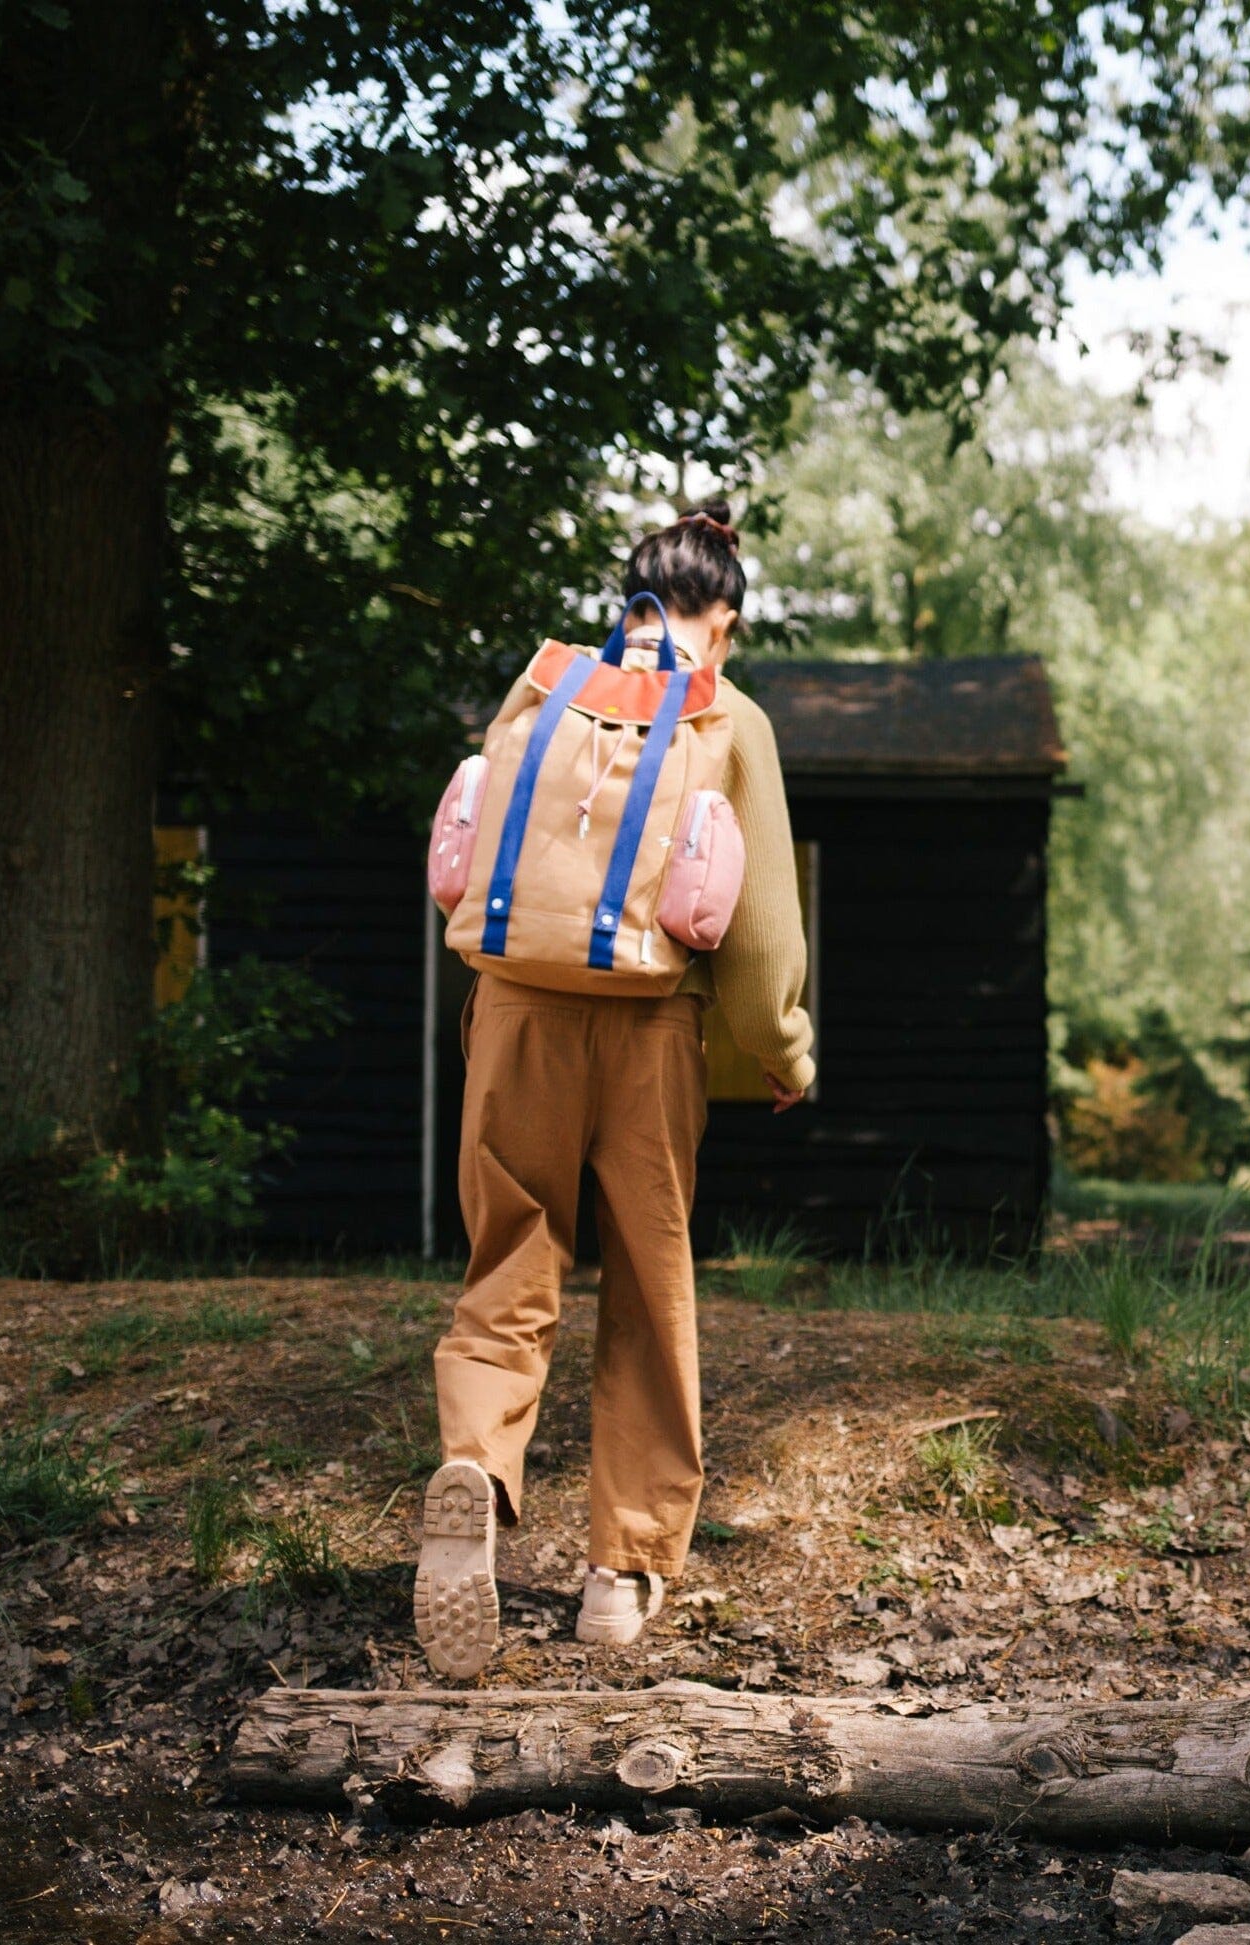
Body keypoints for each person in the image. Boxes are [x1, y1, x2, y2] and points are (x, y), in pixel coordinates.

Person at [414, 504, 816, 1677]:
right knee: (647, 1280)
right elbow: (760, 926)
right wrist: (781, 1051)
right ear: (724, 620)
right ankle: (619, 1571)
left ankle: (478, 1471)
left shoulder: (544, 689)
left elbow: (481, 850)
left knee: (509, 1258)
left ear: (632, 595)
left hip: (515, 1012)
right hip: (648, 1031)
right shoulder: (727, 714)